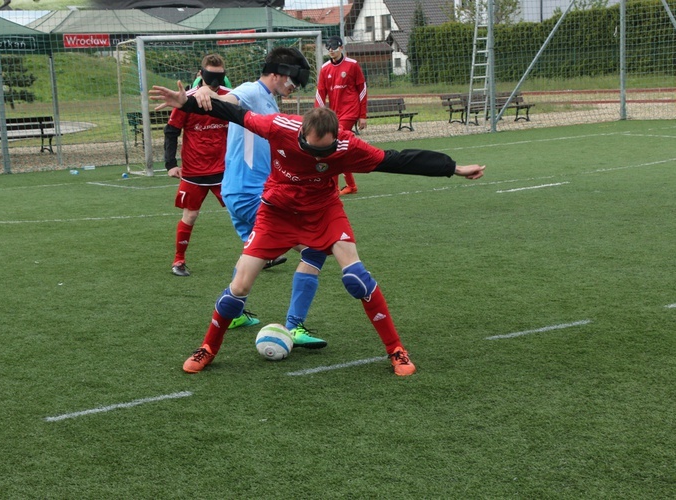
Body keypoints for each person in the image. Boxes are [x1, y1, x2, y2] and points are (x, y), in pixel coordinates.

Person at [149, 82, 486, 377]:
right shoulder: (278, 126)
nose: (317, 154)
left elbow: (398, 159)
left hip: (323, 212)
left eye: (323, 149)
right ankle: (208, 348)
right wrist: (188, 103)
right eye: (311, 147)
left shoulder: (347, 145)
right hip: (277, 212)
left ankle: (396, 349)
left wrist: (453, 168)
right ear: (301, 132)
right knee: (239, 286)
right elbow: (234, 114)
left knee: (357, 278)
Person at [191, 47, 327, 347]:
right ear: (278, 74)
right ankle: (295, 327)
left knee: (252, 255)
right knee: (315, 248)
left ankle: (235, 313)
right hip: (250, 193)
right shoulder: (252, 91)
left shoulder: (268, 102)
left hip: (240, 190)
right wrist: (204, 94)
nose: (293, 88)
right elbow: (227, 100)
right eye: (292, 82)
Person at [164, 54, 231, 278]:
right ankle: (179, 260)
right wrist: (171, 164)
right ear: (200, 74)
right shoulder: (186, 100)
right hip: (194, 171)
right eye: (211, 75)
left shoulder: (230, 98)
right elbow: (171, 130)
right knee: (190, 215)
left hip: (225, 170)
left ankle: (264, 254)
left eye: (219, 76)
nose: (215, 81)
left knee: (243, 211)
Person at [315, 35, 367, 196]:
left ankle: (334, 188)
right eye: (328, 47)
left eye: (334, 47)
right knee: (338, 149)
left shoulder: (352, 65)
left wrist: (362, 115)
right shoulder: (325, 69)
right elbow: (320, 93)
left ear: (342, 47)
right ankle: (350, 185)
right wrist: (318, 115)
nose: (331, 50)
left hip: (350, 112)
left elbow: (362, 90)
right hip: (334, 114)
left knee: (333, 146)